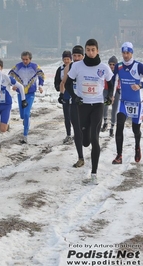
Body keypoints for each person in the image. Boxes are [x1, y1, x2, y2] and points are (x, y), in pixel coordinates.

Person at [65, 39, 114, 184]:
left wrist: (109, 97)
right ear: (85, 51)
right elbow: (67, 83)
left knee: (94, 138)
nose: (90, 52)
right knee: (85, 141)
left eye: (93, 50)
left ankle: (94, 173)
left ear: (97, 51)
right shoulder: (77, 66)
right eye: (88, 50)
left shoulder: (104, 67)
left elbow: (110, 85)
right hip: (83, 105)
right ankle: (86, 136)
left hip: (98, 105)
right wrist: (75, 97)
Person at [111, 42, 143, 164]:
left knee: (136, 130)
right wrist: (112, 96)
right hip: (123, 102)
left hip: (137, 104)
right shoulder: (118, 67)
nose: (125, 55)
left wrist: (140, 85)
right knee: (119, 127)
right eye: (123, 53)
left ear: (132, 53)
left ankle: (137, 147)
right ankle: (119, 155)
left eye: (128, 53)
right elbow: (114, 82)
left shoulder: (139, 66)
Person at [0, 58, 26, 152]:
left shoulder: (6, 77)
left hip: (6, 105)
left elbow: (20, 86)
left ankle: (7, 123)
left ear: (1, 68)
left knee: (3, 129)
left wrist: (23, 100)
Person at [9, 51, 45, 144]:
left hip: (30, 93)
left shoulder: (35, 67)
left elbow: (41, 75)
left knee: (26, 114)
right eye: (23, 59)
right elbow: (10, 75)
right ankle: (26, 120)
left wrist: (41, 86)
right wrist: (13, 84)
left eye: (27, 59)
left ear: (30, 59)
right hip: (20, 93)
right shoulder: (17, 66)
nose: (25, 61)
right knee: (22, 116)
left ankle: (25, 136)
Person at [59, 45, 85, 168]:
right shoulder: (69, 67)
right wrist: (62, 94)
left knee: (86, 131)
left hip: (89, 103)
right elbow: (64, 82)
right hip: (75, 102)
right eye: (74, 56)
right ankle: (80, 157)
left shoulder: (88, 66)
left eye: (79, 56)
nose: (77, 58)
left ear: (83, 56)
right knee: (77, 130)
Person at [55, 50, 73, 144]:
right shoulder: (60, 69)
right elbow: (57, 81)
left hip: (74, 94)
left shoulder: (75, 67)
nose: (66, 61)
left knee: (75, 115)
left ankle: (78, 133)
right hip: (65, 93)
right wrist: (59, 89)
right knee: (67, 115)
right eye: (65, 59)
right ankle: (68, 134)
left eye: (68, 59)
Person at [101, 56, 120, 137]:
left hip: (116, 91)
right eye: (110, 64)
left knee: (114, 110)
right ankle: (105, 122)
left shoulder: (118, 72)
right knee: (105, 107)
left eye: (113, 64)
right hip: (106, 90)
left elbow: (119, 83)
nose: (112, 66)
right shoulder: (106, 71)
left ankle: (112, 127)